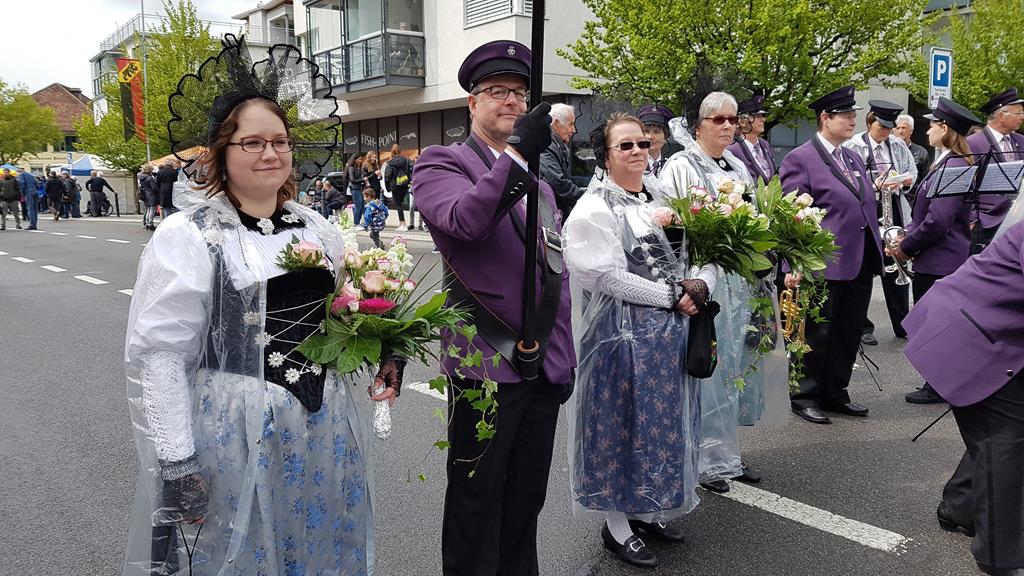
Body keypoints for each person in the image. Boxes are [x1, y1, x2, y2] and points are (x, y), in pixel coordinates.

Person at [123, 35, 399, 576]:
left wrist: (386, 351)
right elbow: (160, 355)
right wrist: (177, 459)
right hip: (234, 430)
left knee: (317, 544)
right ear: (222, 152)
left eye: (280, 140)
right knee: (241, 555)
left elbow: (347, 313)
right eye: (251, 142)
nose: (270, 152)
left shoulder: (317, 226)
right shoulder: (192, 235)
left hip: (322, 424)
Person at [413, 39, 575, 576]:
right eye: (496, 92)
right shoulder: (442, 163)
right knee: (475, 502)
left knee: (526, 501)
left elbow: (557, 276)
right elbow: (464, 221)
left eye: (519, 94)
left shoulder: (543, 188)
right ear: (471, 104)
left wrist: (564, 356)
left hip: (542, 364)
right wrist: (516, 158)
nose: (510, 101)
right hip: (485, 362)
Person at [564, 113, 711, 568]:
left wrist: (699, 285)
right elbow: (606, 277)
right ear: (605, 155)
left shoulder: (660, 198)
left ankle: (647, 507)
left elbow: (702, 250)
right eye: (625, 146)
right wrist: (672, 296)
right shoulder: (594, 208)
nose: (637, 152)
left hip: (669, 337)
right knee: (619, 425)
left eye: (642, 143)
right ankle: (616, 524)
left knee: (659, 424)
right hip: (620, 339)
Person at [661, 92, 787, 491]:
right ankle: (704, 459)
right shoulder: (682, 165)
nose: (729, 126)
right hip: (707, 278)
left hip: (740, 279)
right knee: (708, 368)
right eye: (718, 120)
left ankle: (727, 453)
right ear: (699, 124)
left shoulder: (735, 163)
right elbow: (678, 228)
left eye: (733, 119)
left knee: (735, 365)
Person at [903, 219, 1024, 576]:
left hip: (996, 333)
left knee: (1004, 431)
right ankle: (1001, 557)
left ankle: (959, 505)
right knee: (1005, 439)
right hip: (969, 331)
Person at [780, 86, 883, 425]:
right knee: (814, 333)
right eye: (846, 115)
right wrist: (794, 263)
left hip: (859, 260)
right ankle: (804, 395)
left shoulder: (851, 156)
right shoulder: (801, 159)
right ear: (825, 118)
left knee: (848, 331)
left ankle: (835, 392)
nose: (853, 119)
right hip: (822, 264)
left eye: (854, 114)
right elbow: (794, 217)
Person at [891, 98, 980, 404]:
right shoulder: (949, 162)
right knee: (938, 323)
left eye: (931, 125)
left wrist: (906, 245)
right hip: (940, 257)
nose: (927, 130)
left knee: (937, 326)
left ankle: (938, 386)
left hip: (940, 260)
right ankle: (938, 383)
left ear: (945, 128)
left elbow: (938, 221)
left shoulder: (953, 165)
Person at [843, 100, 917, 345]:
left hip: (893, 208)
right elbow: (848, 179)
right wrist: (874, 185)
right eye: (881, 127)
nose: (885, 132)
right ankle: (863, 325)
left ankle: (903, 322)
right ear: (869, 123)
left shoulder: (896, 145)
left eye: (889, 128)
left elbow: (912, 172)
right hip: (867, 210)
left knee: (897, 262)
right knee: (864, 266)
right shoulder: (853, 145)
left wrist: (903, 181)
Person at [967, 87, 1024, 250]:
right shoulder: (974, 143)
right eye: (1018, 113)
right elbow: (965, 184)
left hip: (1017, 219)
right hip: (986, 222)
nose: (1022, 117)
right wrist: (972, 219)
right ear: (1001, 115)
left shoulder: (1021, 140)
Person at [539, 102, 583, 215]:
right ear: (556, 123)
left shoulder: (554, 145)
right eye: (571, 124)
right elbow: (558, 184)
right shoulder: (545, 146)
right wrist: (587, 199)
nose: (574, 130)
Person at [728, 94, 777, 185]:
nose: (763, 119)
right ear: (742, 121)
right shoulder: (732, 150)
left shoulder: (765, 145)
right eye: (757, 116)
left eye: (762, 115)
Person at [636, 104, 683, 178]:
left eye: (656, 132)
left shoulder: (673, 166)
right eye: (646, 131)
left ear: (666, 137)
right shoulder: (633, 164)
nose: (650, 137)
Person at [894, 113, 932, 196]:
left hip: (912, 198)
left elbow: (925, 181)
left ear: (911, 131)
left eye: (903, 128)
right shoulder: (888, 150)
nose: (900, 131)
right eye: (897, 128)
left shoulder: (921, 152)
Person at [384, 143, 412, 229]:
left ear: (392, 152)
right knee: (402, 203)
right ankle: (403, 223)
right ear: (400, 151)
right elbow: (412, 169)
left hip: (395, 185)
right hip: (404, 184)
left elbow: (388, 175)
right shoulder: (406, 160)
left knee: (398, 204)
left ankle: (402, 223)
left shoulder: (390, 163)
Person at [345, 154, 366, 229]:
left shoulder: (358, 168)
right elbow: (352, 179)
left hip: (359, 188)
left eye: (361, 159)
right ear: (355, 160)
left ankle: (358, 222)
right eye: (359, 159)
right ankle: (356, 223)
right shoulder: (351, 168)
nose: (360, 161)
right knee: (358, 206)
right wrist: (362, 180)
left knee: (361, 206)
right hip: (354, 188)